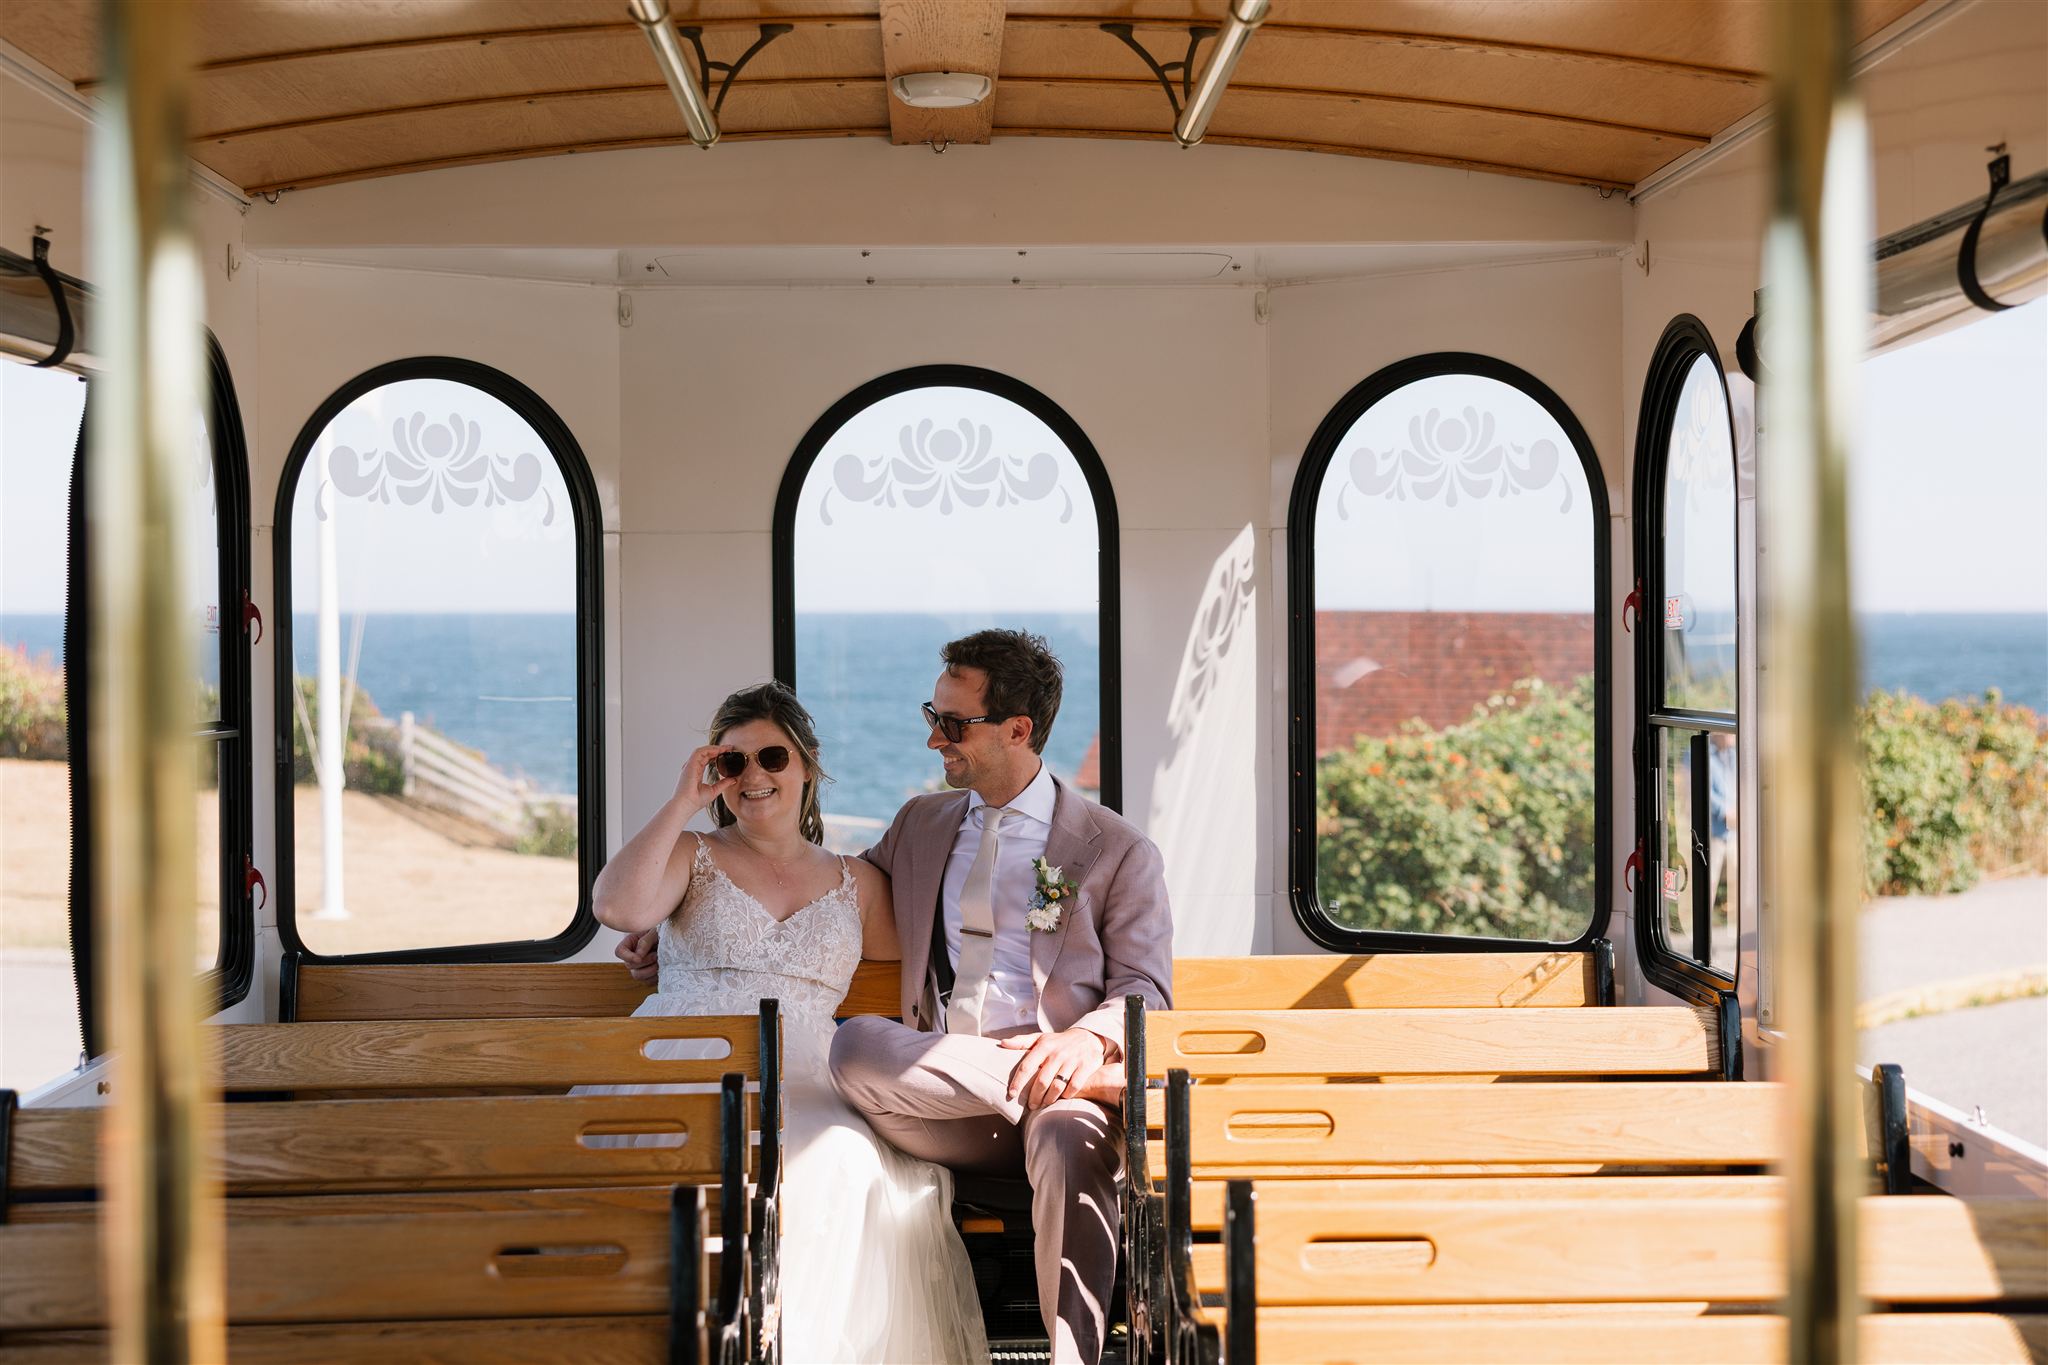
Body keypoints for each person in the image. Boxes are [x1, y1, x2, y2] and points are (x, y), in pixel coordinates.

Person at [594, 681, 986, 1365]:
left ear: (807, 763)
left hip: (809, 1066)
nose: (755, 776)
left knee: (836, 1161)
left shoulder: (856, 882)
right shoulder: (691, 854)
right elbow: (620, 907)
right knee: (681, 1159)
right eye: (733, 762)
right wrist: (686, 800)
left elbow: (928, 951)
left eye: (772, 757)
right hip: (684, 1054)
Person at [831, 629, 1173, 1365]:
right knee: (855, 1043)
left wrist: (1084, 1045)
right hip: (943, 1105)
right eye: (934, 713)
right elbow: (824, 903)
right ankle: (1060, 1083)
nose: (933, 738)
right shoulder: (918, 825)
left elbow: (1145, 988)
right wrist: (680, 933)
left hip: (1061, 1104)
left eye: (953, 723)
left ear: (1017, 729)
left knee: (1067, 1135)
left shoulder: (1115, 850)